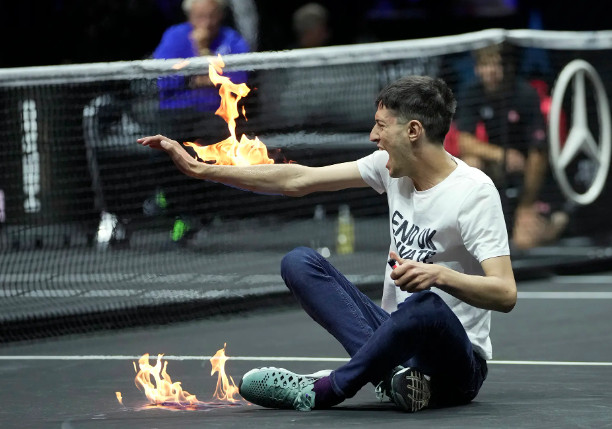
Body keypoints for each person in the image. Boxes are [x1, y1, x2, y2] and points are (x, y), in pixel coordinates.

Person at [137, 75, 517, 412]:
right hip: (395, 341)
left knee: (425, 307)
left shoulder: (474, 193)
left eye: (381, 126)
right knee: (299, 262)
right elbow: (297, 180)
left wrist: (438, 275)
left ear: (413, 131)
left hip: (456, 364)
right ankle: (393, 378)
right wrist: (200, 169)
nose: (373, 136)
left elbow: (504, 293)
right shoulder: (389, 170)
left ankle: (325, 389)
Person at [146, 0, 251, 242]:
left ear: (221, 16)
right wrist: (196, 78)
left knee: (207, 152)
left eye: (212, 16)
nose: (207, 23)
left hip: (215, 118)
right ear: (190, 16)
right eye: (200, 16)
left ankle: (188, 215)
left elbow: (240, 79)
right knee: (163, 145)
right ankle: (174, 205)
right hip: (174, 116)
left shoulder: (232, 40)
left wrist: (203, 55)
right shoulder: (175, 37)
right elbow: (161, 80)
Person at [454, 43, 567, 250]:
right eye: (485, 65)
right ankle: (477, 224)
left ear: (507, 67)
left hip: (531, 173)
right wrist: (502, 155)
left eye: (496, 65)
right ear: (477, 68)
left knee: (524, 242)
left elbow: (538, 153)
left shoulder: (525, 94)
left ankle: (557, 221)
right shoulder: (472, 93)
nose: (491, 71)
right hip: (501, 166)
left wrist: (526, 203)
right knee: (471, 163)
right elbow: (464, 142)